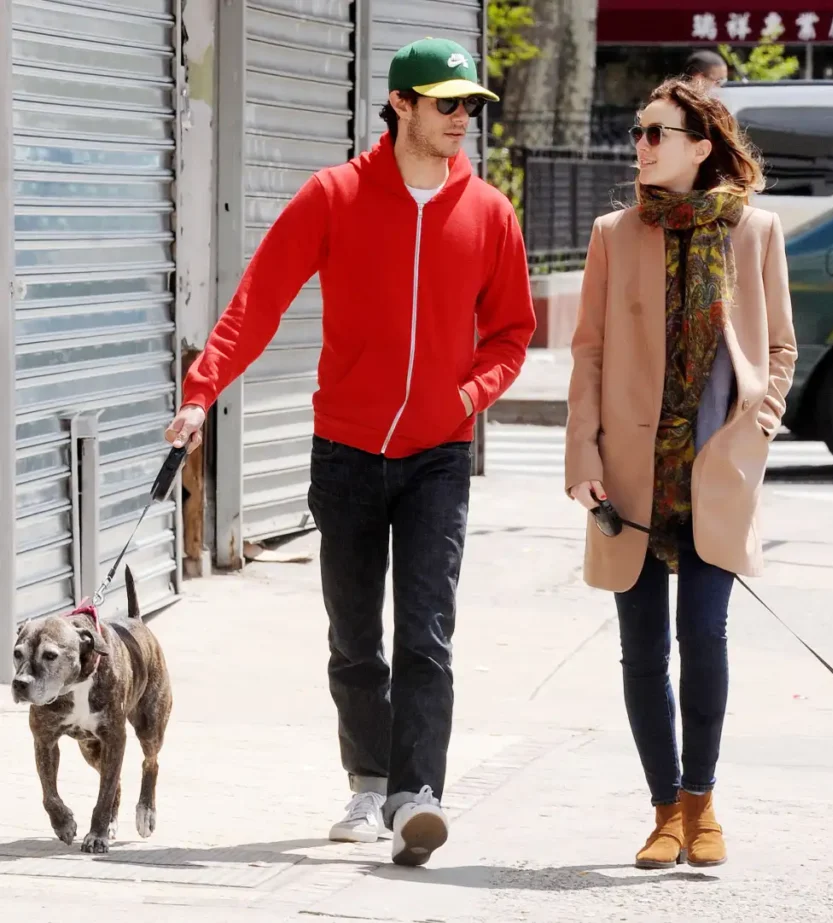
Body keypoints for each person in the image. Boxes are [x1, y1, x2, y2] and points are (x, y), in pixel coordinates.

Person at [165, 37, 536, 866]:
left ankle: (416, 797)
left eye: (471, 106)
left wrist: (468, 394)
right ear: (401, 104)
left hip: (439, 452)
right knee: (356, 638)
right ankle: (369, 780)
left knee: (427, 635)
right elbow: (255, 302)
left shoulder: (490, 213)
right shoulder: (334, 196)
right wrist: (201, 393)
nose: (462, 120)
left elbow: (512, 332)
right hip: (347, 450)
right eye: (447, 104)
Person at [563, 77, 796, 870]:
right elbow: (588, 352)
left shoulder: (756, 231)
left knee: (704, 634)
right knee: (640, 650)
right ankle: (663, 808)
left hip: (714, 467)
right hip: (631, 473)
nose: (642, 146)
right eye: (637, 132)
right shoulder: (612, 233)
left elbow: (781, 348)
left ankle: (702, 801)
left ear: (702, 146)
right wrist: (582, 457)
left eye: (658, 133)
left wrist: (760, 424)